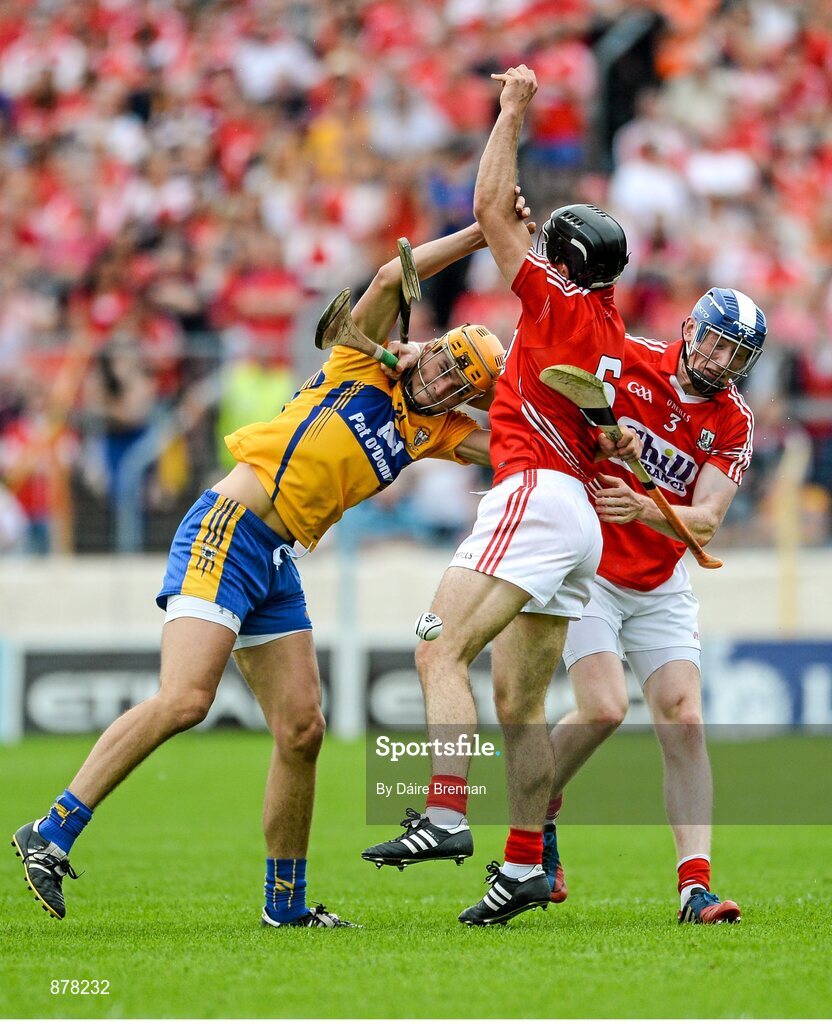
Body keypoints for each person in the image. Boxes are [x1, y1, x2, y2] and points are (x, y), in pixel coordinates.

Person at [10, 220, 510, 930]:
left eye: (457, 380)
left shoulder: (439, 431)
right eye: (439, 360)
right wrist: (480, 234)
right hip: (226, 527)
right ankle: (51, 832)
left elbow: (519, 439)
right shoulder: (358, 364)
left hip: (277, 559)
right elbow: (385, 280)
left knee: (303, 729)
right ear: (426, 348)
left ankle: (286, 907)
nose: (437, 377)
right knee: (186, 699)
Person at [362, 65, 641, 927]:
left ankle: (446, 815)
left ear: (561, 263)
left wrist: (512, 108)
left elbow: (489, 211)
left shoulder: (554, 303)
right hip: (577, 521)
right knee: (521, 704)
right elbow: (569, 414)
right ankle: (524, 865)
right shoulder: (608, 331)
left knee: (438, 651)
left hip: (533, 498)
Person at [542, 286, 766, 925]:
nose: (721, 359)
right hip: (590, 568)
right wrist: (603, 445)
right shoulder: (627, 359)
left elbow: (707, 521)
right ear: (690, 328)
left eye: (736, 353)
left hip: (660, 581)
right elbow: (557, 398)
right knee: (605, 707)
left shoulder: (733, 420)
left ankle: (694, 887)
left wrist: (646, 506)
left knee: (685, 719)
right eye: (716, 341)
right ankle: (540, 805)